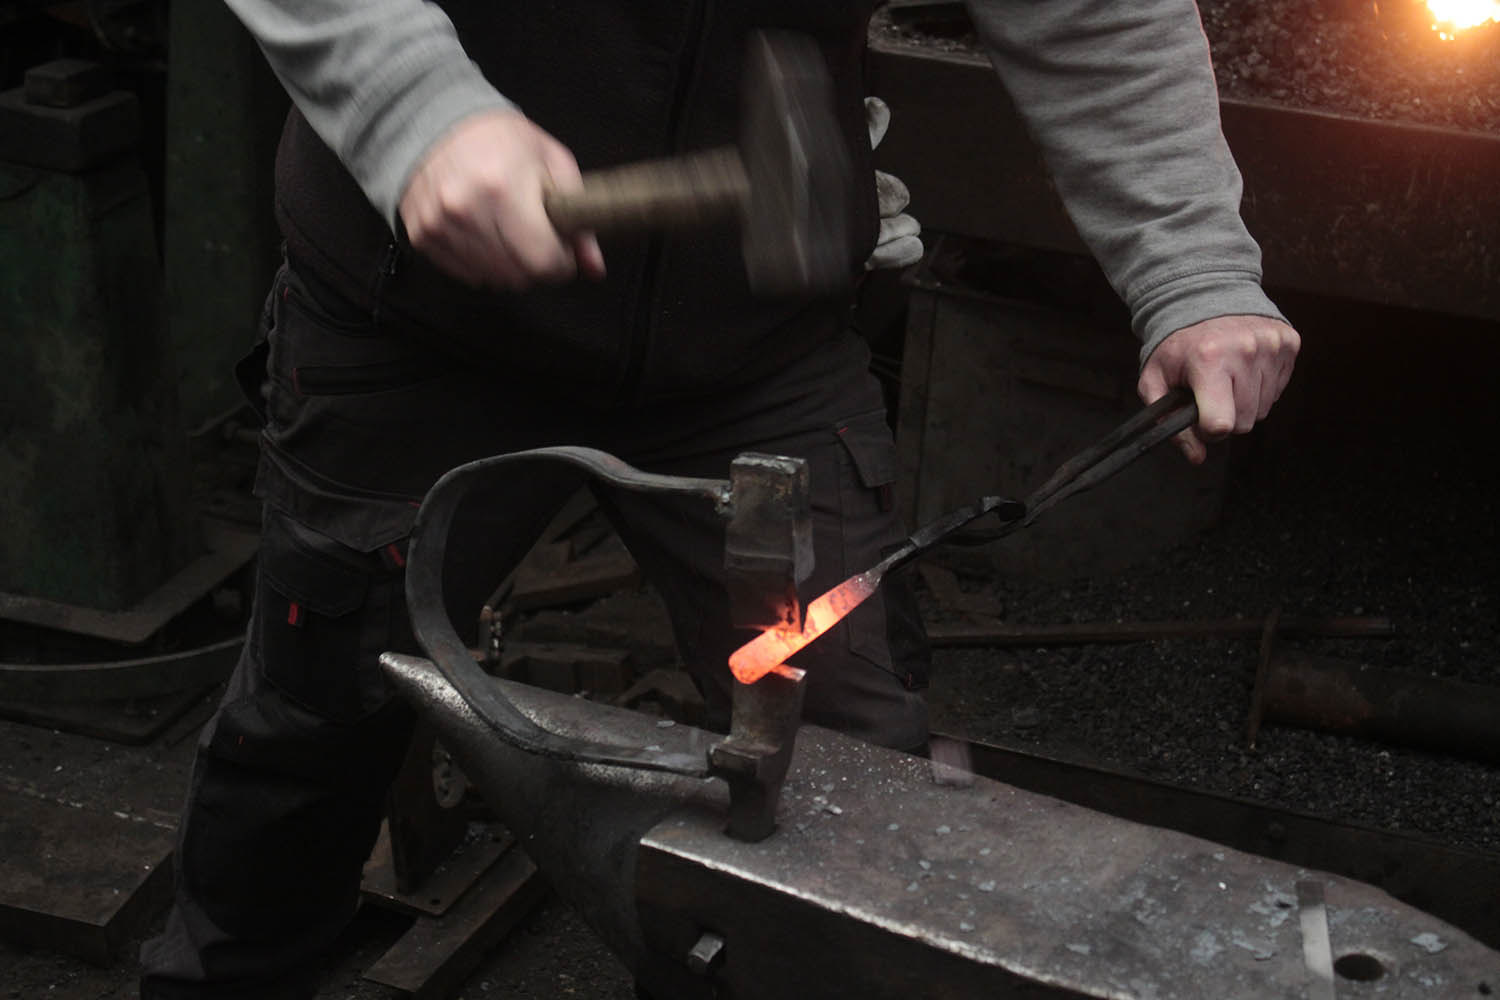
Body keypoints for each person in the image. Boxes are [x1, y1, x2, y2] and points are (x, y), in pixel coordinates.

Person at [140, 1, 1300, 996]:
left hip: (755, 341)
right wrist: (416, 109)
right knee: (316, 719)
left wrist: (1192, 263)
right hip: (418, 316)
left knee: (852, 775)